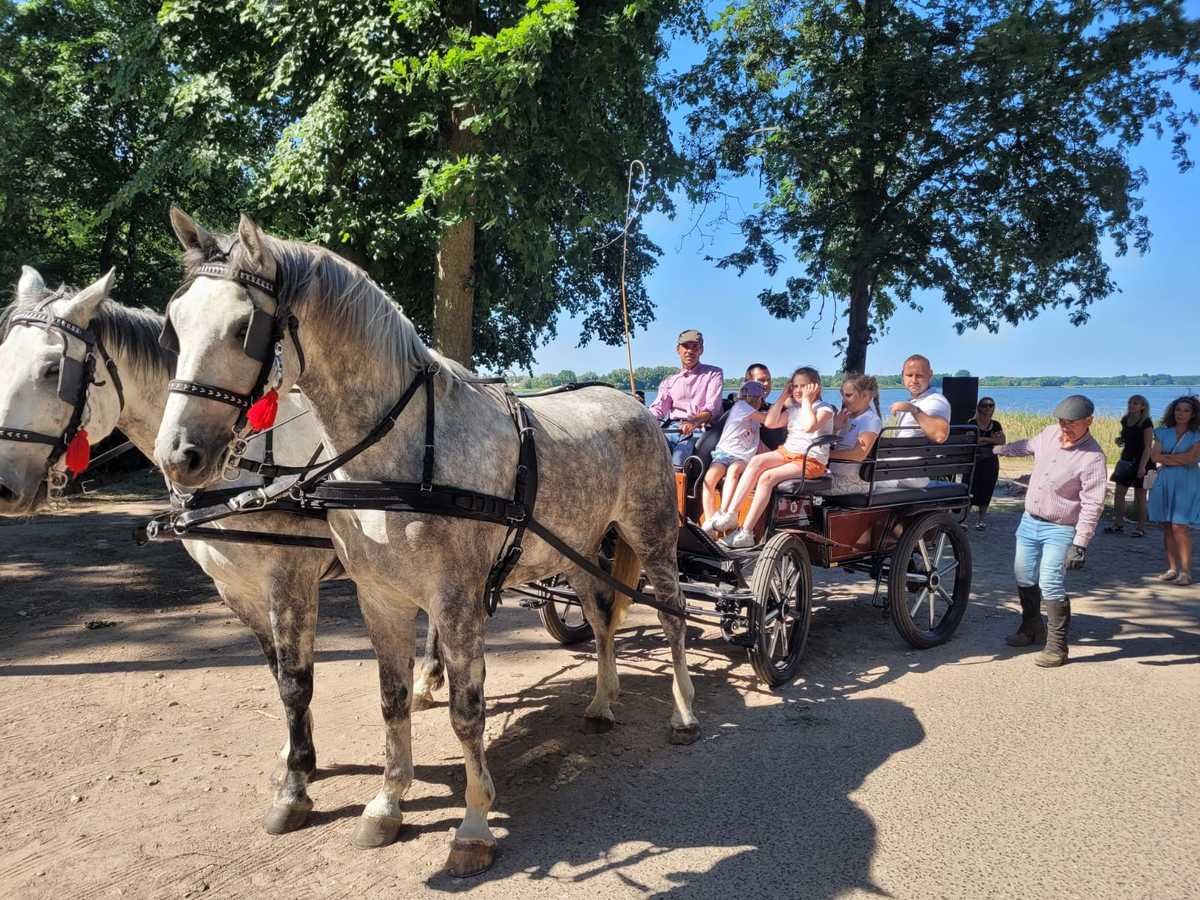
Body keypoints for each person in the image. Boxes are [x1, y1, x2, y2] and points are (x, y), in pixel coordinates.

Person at [995, 395, 1108, 668]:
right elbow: (1025, 446)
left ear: (1089, 421)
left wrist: (1080, 544)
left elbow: (1093, 503)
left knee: (1050, 582)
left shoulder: (1093, 457)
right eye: (1061, 421)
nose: (1065, 427)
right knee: (1023, 575)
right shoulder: (1049, 434)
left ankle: (1057, 647)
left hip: (1061, 527)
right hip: (1030, 521)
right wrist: (997, 449)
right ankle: (1031, 627)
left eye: (1071, 422)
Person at [714, 367, 836, 549]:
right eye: (794, 386)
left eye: (803, 386)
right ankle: (731, 514)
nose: (797, 390)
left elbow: (810, 426)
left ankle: (746, 532)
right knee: (756, 462)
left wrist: (807, 401)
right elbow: (770, 423)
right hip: (788, 453)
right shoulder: (793, 409)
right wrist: (782, 397)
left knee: (766, 477)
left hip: (810, 461)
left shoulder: (824, 409)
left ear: (815, 388)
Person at [701, 380, 769, 533]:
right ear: (757, 399)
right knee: (709, 479)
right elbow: (767, 420)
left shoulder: (754, 420)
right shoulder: (741, 407)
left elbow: (757, 442)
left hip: (741, 457)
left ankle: (724, 514)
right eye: (760, 399)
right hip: (724, 452)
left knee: (733, 471)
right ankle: (710, 520)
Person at [649, 329, 724, 466]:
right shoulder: (669, 381)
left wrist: (693, 421)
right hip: (671, 429)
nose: (690, 351)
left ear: (701, 350)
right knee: (648, 452)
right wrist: (643, 420)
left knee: (678, 459)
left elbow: (713, 407)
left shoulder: (714, 374)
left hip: (699, 430)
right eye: (686, 346)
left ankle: (681, 484)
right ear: (678, 350)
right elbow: (658, 409)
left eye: (695, 347)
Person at [1148, 396, 1200, 586]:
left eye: (1186, 410)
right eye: (1179, 409)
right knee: (1167, 525)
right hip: (1165, 480)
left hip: (1188, 481)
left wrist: (1168, 458)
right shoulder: (1162, 432)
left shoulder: (1197, 434)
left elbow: (1192, 459)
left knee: (1180, 526)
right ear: (1173, 411)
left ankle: (1185, 571)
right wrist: (1180, 458)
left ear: (1193, 413)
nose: (1181, 414)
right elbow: (1154, 456)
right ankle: (1172, 568)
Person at [888, 354, 951, 486]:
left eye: (920, 375)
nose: (914, 380)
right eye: (909, 375)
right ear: (902, 375)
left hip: (910, 474)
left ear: (930, 375)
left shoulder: (935, 401)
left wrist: (914, 409)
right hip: (898, 469)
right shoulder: (918, 401)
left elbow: (940, 435)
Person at [1105, 394, 1155, 537]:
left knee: (1140, 496)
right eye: (1130, 403)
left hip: (1143, 461)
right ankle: (1118, 523)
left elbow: (1147, 447)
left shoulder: (1146, 422)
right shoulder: (1125, 420)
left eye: (1136, 403)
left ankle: (1140, 528)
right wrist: (1120, 440)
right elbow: (1126, 438)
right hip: (1126, 460)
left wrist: (1142, 467)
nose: (1132, 405)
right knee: (1119, 492)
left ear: (1143, 406)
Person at [825, 373, 883, 495]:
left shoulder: (869, 420)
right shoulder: (847, 417)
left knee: (802, 485)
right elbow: (834, 444)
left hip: (856, 481)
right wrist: (835, 428)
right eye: (843, 396)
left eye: (849, 395)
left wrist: (826, 454)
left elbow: (858, 455)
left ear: (866, 396)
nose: (844, 400)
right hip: (834, 473)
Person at [968, 397, 1005, 530]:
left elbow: (1001, 441)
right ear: (979, 407)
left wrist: (983, 439)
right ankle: (964, 520)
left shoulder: (996, 425)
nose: (988, 408)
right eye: (985, 405)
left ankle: (981, 520)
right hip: (975, 462)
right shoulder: (972, 423)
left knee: (987, 490)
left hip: (990, 462)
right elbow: (972, 440)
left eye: (991, 405)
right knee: (971, 490)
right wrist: (991, 440)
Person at [745, 363, 786, 450]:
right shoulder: (741, 408)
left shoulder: (772, 408)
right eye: (761, 380)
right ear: (747, 382)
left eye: (768, 380)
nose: (766, 384)